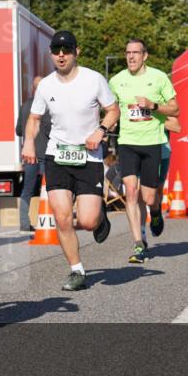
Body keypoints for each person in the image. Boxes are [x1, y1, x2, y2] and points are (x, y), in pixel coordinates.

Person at [22, 30, 119, 291]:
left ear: (77, 52)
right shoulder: (46, 85)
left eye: (66, 50)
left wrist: (100, 130)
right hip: (57, 155)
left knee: (87, 221)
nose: (61, 55)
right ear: (51, 54)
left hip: (89, 156)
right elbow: (34, 118)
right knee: (62, 218)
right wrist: (29, 141)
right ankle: (77, 270)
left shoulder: (94, 79)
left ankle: (99, 217)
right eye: (56, 50)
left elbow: (113, 110)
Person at [108, 39, 179, 264]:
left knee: (148, 197)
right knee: (130, 191)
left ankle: (155, 212)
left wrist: (153, 105)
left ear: (144, 56)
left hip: (152, 143)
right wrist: (105, 126)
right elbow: (111, 109)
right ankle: (138, 243)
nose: (131, 57)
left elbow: (175, 109)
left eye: (135, 53)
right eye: (127, 52)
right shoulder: (116, 81)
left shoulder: (159, 77)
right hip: (127, 142)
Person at [139, 114, 181, 246]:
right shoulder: (127, 101)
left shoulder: (161, 103)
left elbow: (176, 126)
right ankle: (141, 236)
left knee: (156, 193)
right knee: (138, 193)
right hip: (135, 148)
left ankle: (155, 213)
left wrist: (152, 118)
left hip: (161, 151)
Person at [16, 76, 51, 232]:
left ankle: (24, 223)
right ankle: (49, 220)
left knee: (27, 190)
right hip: (45, 154)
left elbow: (18, 130)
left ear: (32, 89)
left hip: (29, 155)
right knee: (49, 189)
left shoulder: (24, 106)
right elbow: (51, 129)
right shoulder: (47, 106)